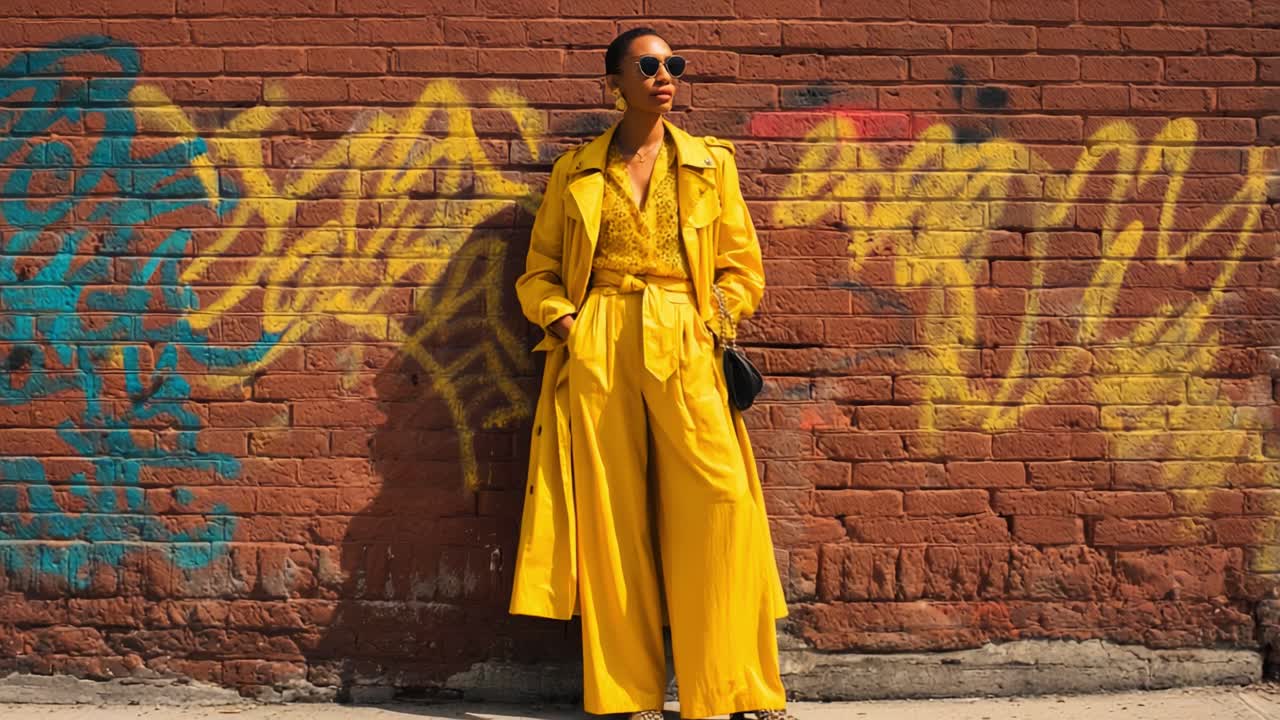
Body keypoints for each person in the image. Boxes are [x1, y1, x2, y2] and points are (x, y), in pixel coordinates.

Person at [508, 27, 797, 720]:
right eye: (648, 64)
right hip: (600, 333)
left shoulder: (708, 164)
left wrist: (713, 322)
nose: (664, 74)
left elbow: (741, 267)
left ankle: (731, 688)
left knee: (720, 506)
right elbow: (539, 271)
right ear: (616, 81)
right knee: (613, 521)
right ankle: (626, 691)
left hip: (684, 331)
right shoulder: (575, 171)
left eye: (674, 64)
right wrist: (568, 325)